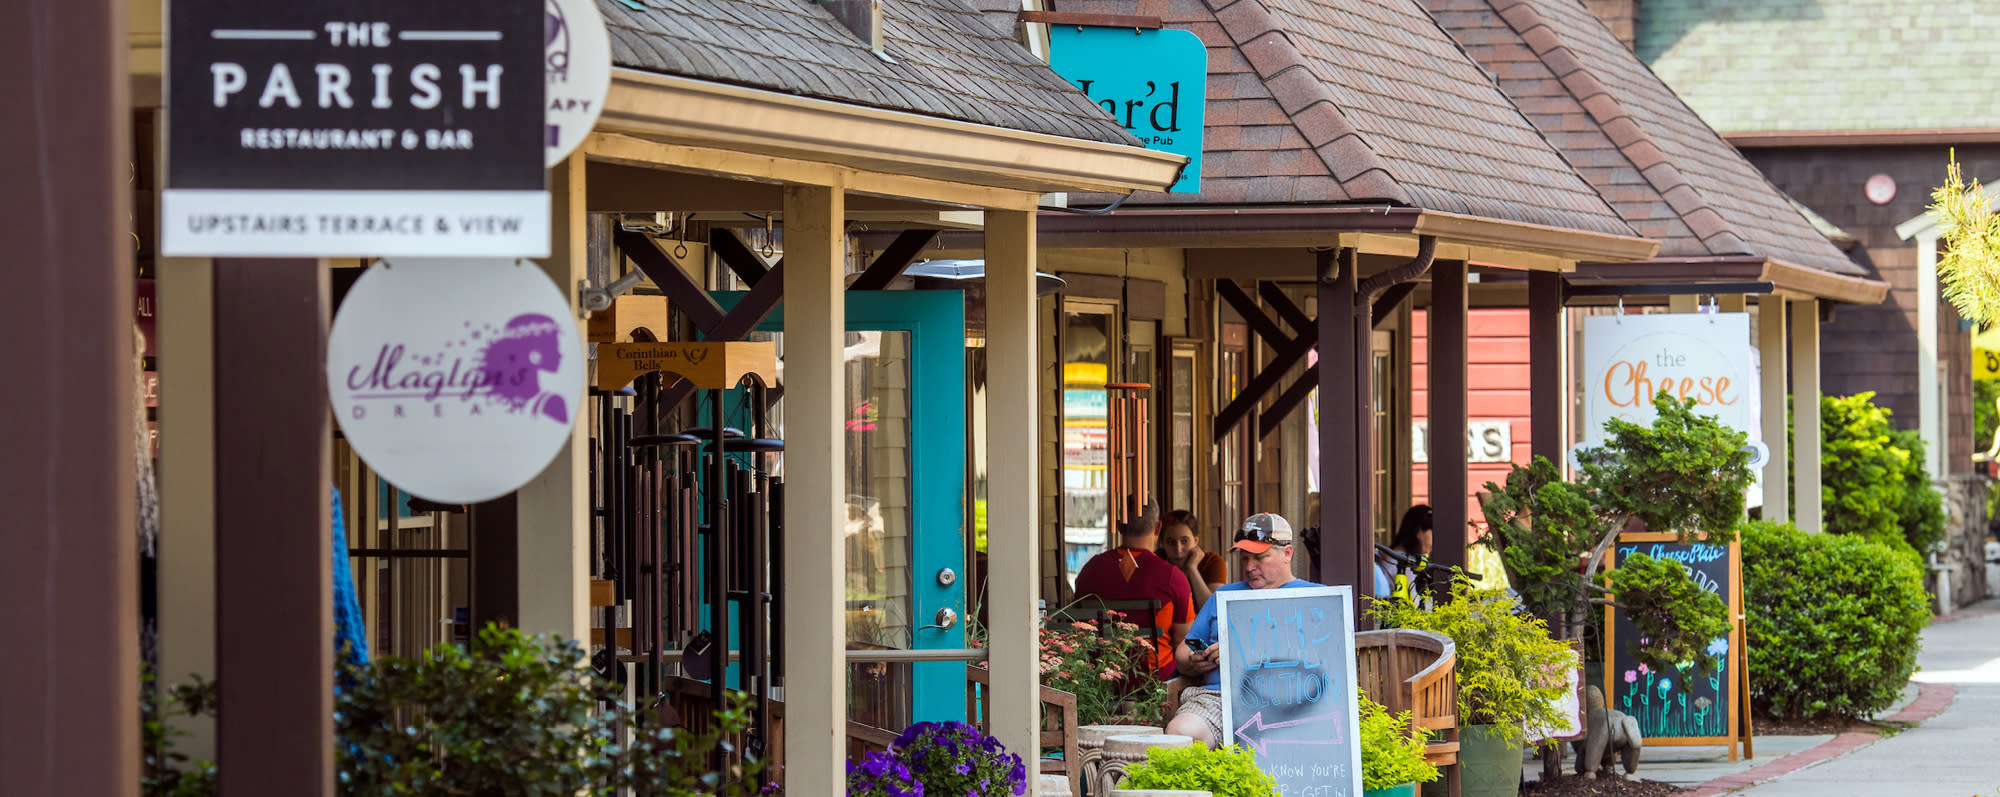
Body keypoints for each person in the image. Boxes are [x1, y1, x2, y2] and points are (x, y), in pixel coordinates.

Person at [1166, 512, 1323, 747]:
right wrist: (1194, 660)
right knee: (1180, 734)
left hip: (1295, 699)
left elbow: (1327, 660)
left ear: (1287, 553)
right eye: (1244, 558)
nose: (1249, 567)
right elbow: (1183, 650)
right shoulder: (1224, 595)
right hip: (1220, 698)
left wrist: (1240, 653)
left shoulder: (1316, 598)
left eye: (1260, 557)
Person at [1074, 500, 1194, 680]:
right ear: (1158, 528)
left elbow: (1080, 624)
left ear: (1119, 526)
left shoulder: (1090, 571)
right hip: (1155, 678)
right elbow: (1184, 641)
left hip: (1101, 678)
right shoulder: (1172, 577)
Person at [1157, 510, 1226, 611]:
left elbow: (1213, 610)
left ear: (1196, 541)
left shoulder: (1213, 562)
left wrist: (1192, 569)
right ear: (1162, 543)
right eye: (1171, 542)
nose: (1178, 549)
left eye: (1184, 541)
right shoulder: (1157, 562)